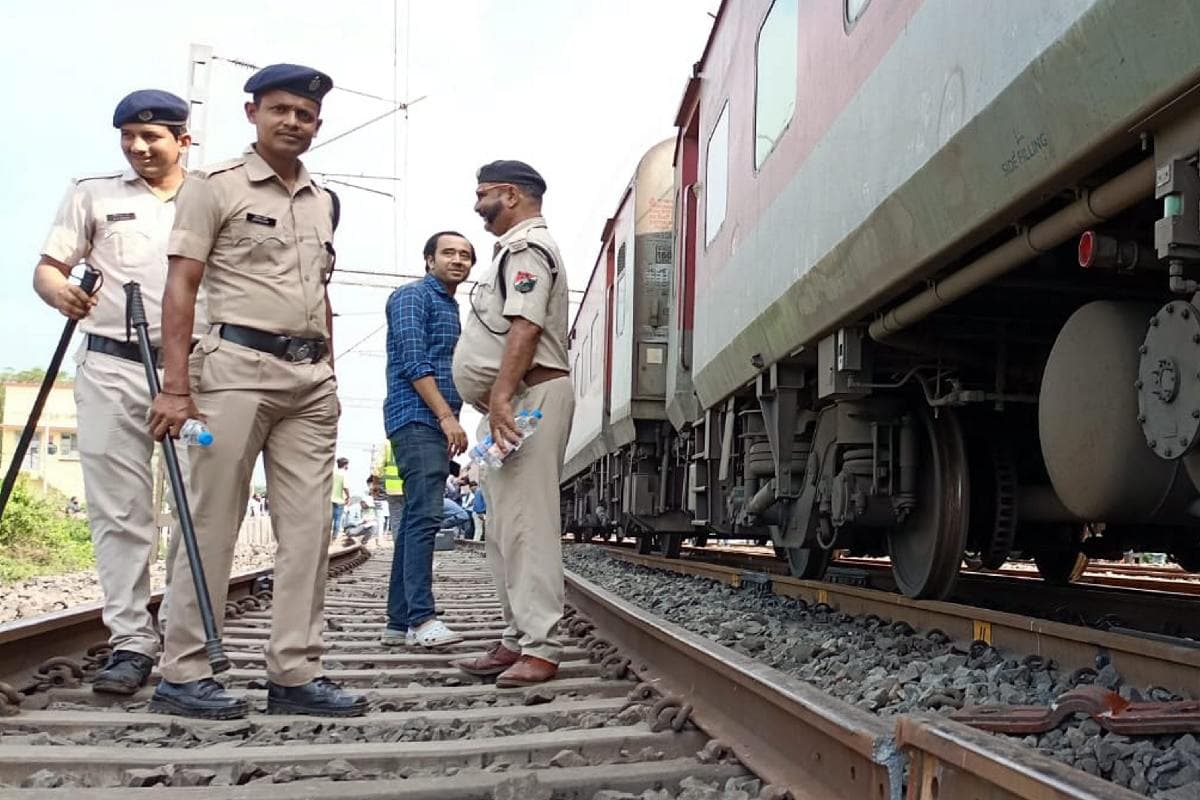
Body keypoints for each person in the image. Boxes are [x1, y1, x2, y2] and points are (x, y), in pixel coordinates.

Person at [146, 63, 366, 719]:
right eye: (280, 110)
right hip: (235, 370)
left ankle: (295, 673)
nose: (293, 122)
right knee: (212, 522)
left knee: (308, 532)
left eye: (305, 114)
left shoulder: (323, 201)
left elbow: (320, 293)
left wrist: (331, 374)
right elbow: (182, 285)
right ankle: (183, 671)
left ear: (317, 124)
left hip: (310, 382)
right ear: (253, 113)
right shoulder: (214, 187)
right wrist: (176, 388)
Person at [32, 90, 199, 696]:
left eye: (151, 136)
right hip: (110, 366)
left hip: (194, 371)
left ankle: (183, 635)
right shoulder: (92, 194)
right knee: (120, 512)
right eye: (128, 136)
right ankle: (130, 640)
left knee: (197, 504)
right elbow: (48, 267)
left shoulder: (211, 195)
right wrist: (59, 292)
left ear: (183, 140)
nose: (137, 147)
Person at [451, 160, 574, 688]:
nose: (477, 206)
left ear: (509, 195)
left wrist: (500, 395)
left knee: (527, 526)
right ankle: (516, 636)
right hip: (510, 405)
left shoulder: (528, 249)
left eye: (483, 195)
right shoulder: (511, 251)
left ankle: (540, 646)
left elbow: (526, 325)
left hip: (526, 400)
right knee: (503, 530)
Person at [380, 230, 476, 649]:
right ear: (428, 259)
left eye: (465, 255)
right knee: (425, 517)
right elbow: (413, 360)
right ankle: (421, 618)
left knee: (416, 518)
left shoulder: (448, 305)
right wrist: (446, 417)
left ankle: (398, 622)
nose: (458, 260)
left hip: (430, 420)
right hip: (417, 417)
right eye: (448, 252)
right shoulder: (412, 296)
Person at [376, 441, 405, 539]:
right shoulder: (415, 439)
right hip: (411, 487)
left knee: (396, 519)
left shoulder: (387, 443)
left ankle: (399, 546)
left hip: (393, 488)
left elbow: (378, 466)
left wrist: (375, 484)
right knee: (412, 519)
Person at [331, 456, 349, 539]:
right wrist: (348, 496)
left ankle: (327, 535)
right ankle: (334, 537)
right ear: (345, 465)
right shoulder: (344, 474)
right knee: (337, 519)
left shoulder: (333, 473)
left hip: (330, 499)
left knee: (330, 519)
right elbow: (345, 487)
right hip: (340, 500)